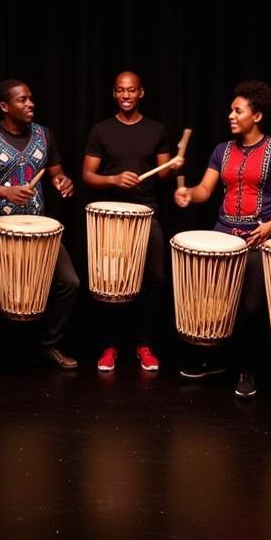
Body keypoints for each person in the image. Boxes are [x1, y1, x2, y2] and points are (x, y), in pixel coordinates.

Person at [175, 80, 271, 398]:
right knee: (218, 304)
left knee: (250, 307)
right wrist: (187, 194)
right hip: (224, 237)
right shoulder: (222, 150)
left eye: (237, 110)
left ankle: (247, 369)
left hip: (261, 238)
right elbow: (205, 191)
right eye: (230, 110)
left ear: (257, 115)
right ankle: (214, 362)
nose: (230, 115)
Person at [0, 80, 79, 382]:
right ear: (5, 106)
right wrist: (6, 193)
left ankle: (48, 346)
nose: (30, 104)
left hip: (37, 228)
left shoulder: (44, 135)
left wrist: (63, 182)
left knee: (70, 283)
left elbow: (57, 173)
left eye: (31, 99)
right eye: (22, 100)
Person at [82, 70, 183, 373]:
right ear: (114, 94)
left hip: (147, 211)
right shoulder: (100, 130)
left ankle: (144, 344)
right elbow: (87, 175)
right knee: (112, 284)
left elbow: (164, 173)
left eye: (131, 90)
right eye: (120, 90)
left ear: (141, 93)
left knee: (156, 280)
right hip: (111, 216)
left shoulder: (156, 129)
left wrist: (173, 165)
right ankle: (110, 346)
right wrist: (113, 178)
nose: (125, 95)